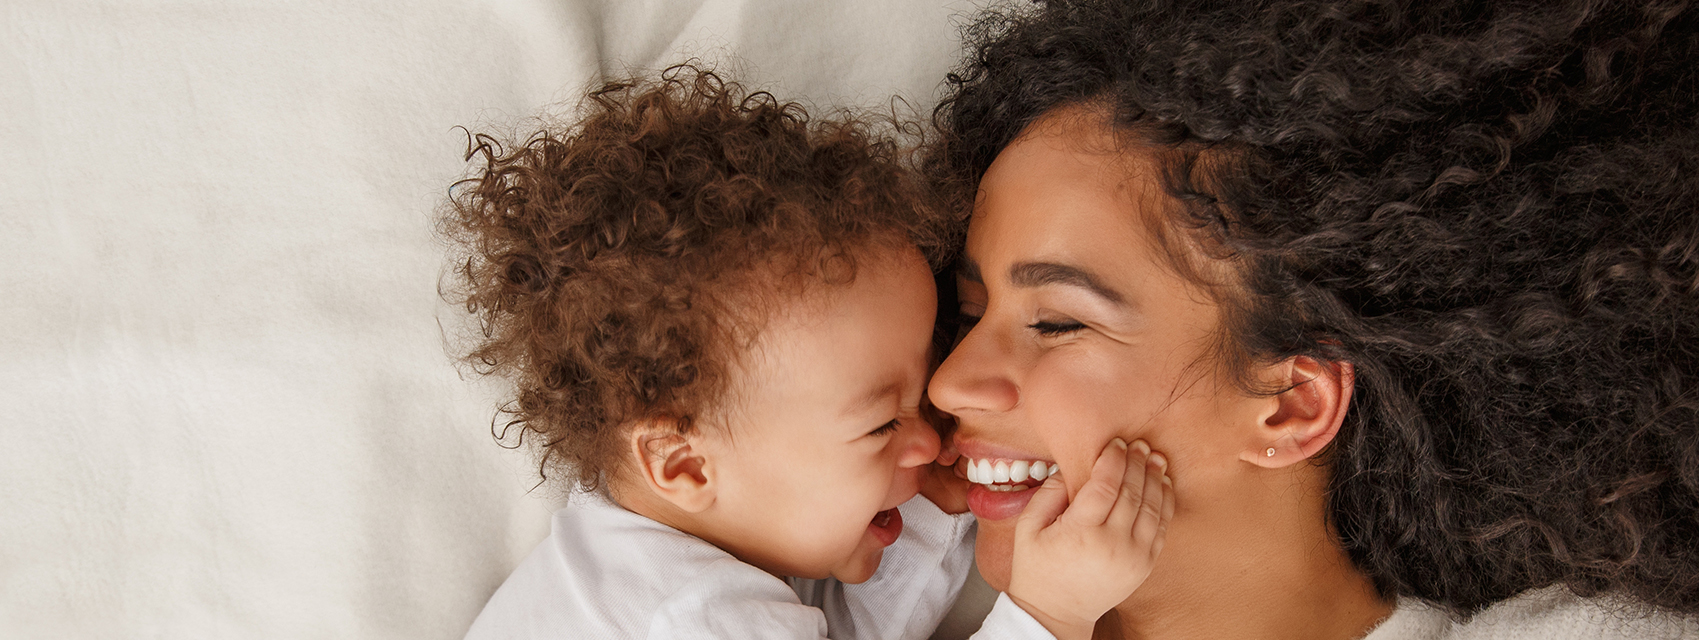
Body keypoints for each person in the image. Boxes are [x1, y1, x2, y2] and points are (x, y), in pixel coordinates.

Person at [922, 0, 1699, 638]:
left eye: (1056, 322)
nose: (950, 381)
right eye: (971, 310)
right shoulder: (866, 591)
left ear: (1292, 402)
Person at [441, 67, 1175, 640]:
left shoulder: (649, 564)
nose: (931, 438)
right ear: (684, 464)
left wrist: (928, 514)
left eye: (916, 404)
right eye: (883, 426)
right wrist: (1049, 615)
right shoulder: (687, 618)